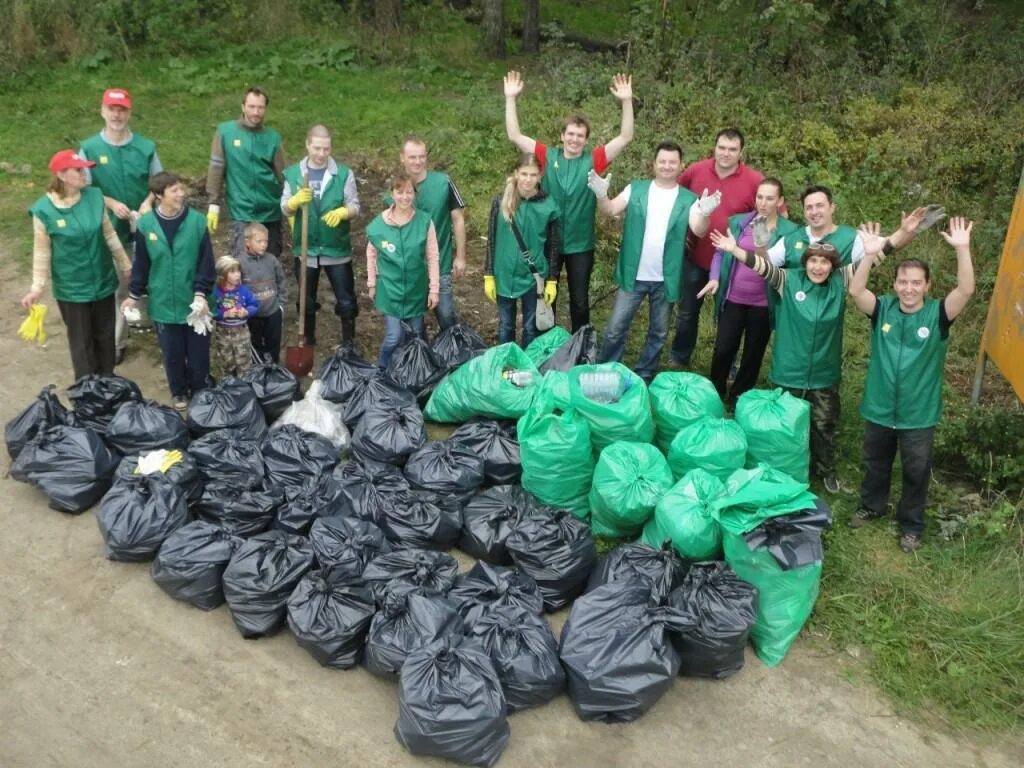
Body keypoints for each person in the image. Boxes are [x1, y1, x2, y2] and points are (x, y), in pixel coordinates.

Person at [710, 207, 924, 494]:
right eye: (813, 261)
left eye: (825, 262)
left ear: (832, 265)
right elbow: (760, 265)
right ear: (805, 262)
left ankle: (825, 470)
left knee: (824, 426)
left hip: (824, 373)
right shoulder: (788, 280)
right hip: (788, 371)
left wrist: (899, 235)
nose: (818, 267)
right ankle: (781, 468)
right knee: (784, 426)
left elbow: (878, 255)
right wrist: (734, 248)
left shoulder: (842, 280)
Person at [847, 217, 975, 553]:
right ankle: (871, 506)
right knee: (875, 462)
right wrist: (869, 255)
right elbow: (856, 290)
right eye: (903, 282)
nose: (908, 288)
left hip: (918, 412)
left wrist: (963, 249)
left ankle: (911, 525)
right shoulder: (883, 310)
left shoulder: (938, 315)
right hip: (879, 405)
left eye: (916, 283)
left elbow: (966, 290)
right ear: (895, 284)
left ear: (927, 286)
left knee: (916, 470)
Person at [504, 70, 634, 332]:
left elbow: (625, 137)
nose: (574, 139)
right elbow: (515, 136)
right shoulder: (545, 154)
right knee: (546, 296)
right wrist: (510, 98)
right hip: (547, 240)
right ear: (562, 135)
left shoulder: (593, 160)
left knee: (579, 301)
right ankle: (547, 343)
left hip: (579, 244)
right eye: (571, 134)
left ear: (586, 140)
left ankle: (581, 344)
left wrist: (627, 101)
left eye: (580, 135)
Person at [588, 141, 720, 383]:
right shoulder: (636, 189)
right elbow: (610, 209)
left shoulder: (688, 198)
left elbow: (698, 230)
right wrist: (601, 195)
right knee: (616, 327)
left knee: (658, 332)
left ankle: (645, 374)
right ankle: (605, 369)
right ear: (654, 164)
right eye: (662, 161)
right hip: (634, 273)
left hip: (666, 277)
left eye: (672, 162)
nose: (667, 166)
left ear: (681, 165)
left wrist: (704, 213)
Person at [21, 150, 132, 381]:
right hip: (72, 290)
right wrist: (37, 287)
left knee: (105, 337)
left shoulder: (94, 196)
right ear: (61, 175)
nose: (85, 173)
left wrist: (125, 264)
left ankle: (108, 383)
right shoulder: (44, 210)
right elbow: (42, 251)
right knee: (82, 344)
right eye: (78, 170)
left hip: (103, 280)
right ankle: (87, 393)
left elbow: (109, 234)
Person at [79, 87, 162, 364]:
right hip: (110, 229)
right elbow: (83, 188)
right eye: (112, 109)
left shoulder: (145, 147)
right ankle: (117, 342)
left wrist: (149, 201)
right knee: (117, 285)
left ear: (129, 112)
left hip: (145, 227)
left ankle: (157, 326)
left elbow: (159, 183)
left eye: (122, 109)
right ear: (102, 111)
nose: (117, 115)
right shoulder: (89, 149)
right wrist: (111, 203)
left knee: (153, 277)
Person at [670, 128, 765, 367]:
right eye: (722, 147)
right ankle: (679, 357)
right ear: (714, 147)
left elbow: (768, 214)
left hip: (732, 264)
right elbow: (675, 198)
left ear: (741, 152)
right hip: (696, 256)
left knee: (728, 317)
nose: (726, 153)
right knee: (687, 312)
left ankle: (727, 364)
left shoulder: (754, 180)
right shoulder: (696, 170)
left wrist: (762, 250)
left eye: (732, 149)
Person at [122, 172, 215, 411]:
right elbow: (141, 263)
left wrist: (201, 292)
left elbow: (206, 262)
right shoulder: (145, 225)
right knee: (172, 353)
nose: (181, 194)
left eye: (181, 188)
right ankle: (178, 392)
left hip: (194, 301)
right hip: (163, 301)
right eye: (174, 191)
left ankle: (201, 390)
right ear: (158, 195)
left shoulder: (197, 221)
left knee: (198, 354)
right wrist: (133, 295)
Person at [701, 178, 799, 405]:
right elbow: (720, 253)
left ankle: (738, 398)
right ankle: (715, 394)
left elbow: (789, 268)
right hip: (733, 298)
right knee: (724, 348)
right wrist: (715, 278)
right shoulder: (739, 223)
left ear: (780, 201)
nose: (763, 203)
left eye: (770, 198)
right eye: (760, 197)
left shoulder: (790, 232)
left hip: (764, 303)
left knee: (753, 355)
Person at [280, 124, 361, 348]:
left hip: (336, 248)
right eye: (317, 148)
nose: (321, 154)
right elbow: (285, 208)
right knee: (306, 299)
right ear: (307, 145)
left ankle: (348, 342)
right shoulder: (294, 174)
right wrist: (294, 202)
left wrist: (344, 211)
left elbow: (355, 206)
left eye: (326, 149)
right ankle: (307, 339)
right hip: (306, 249)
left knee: (346, 300)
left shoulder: (343, 174)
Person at [483, 154, 561, 348]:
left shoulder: (548, 205)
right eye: (524, 174)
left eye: (533, 175)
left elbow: (553, 245)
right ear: (516, 173)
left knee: (530, 326)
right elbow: (491, 238)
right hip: (504, 273)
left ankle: (528, 367)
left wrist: (552, 279)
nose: (528, 179)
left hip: (533, 277)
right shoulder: (500, 201)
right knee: (506, 325)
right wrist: (489, 274)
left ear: (540, 176)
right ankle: (505, 364)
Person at [365, 171, 440, 369]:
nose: (405, 197)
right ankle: (381, 370)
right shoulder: (379, 225)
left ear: (415, 194)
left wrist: (434, 289)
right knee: (393, 336)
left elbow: (432, 256)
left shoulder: (424, 221)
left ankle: (409, 372)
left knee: (415, 335)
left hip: (416, 289)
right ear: (392, 194)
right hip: (390, 289)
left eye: (409, 192)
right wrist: (372, 283)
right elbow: (371, 254)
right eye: (400, 192)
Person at [205, 87, 286, 258]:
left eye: (260, 107)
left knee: (270, 261)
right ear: (243, 106)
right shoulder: (225, 132)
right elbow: (216, 167)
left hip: (270, 209)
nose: (256, 112)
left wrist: (291, 202)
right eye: (251, 106)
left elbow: (283, 174)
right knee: (242, 262)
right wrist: (213, 202)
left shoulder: (272, 138)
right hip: (242, 210)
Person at [398, 135, 467, 331]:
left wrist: (460, 257)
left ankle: (454, 353)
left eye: (421, 156)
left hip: (441, 264)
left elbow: (458, 218)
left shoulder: (443, 182)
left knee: (446, 315)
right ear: (402, 157)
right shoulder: (396, 190)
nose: (418, 162)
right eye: (412, 157)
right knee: (413, 322)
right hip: (410, 269)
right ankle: (421, 355)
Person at [238, 222, 287, 364]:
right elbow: (235, 288)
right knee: (255, 345)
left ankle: (274, 371)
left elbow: (281, 282)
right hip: (252, 315)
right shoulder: (240, 262)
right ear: (247, 242)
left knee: (274, 345)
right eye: (259, 241)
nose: (263, 245)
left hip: (272, 312)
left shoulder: (272, 260)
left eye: (266, 241)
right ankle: (258, 372)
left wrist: (281, 305)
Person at [211, 255, 259, 378]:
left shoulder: (243, 291)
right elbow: (211, 311)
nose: (237, 274)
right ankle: (228, 387)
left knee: (243, 362)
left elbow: (255, 305)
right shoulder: (216, 293)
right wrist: (224, 314)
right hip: (223, 333)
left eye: (238, 271)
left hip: (241, 331)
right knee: (226, 361)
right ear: (222, 274)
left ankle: (245, 386)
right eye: (232, 272)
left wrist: (247, 312)